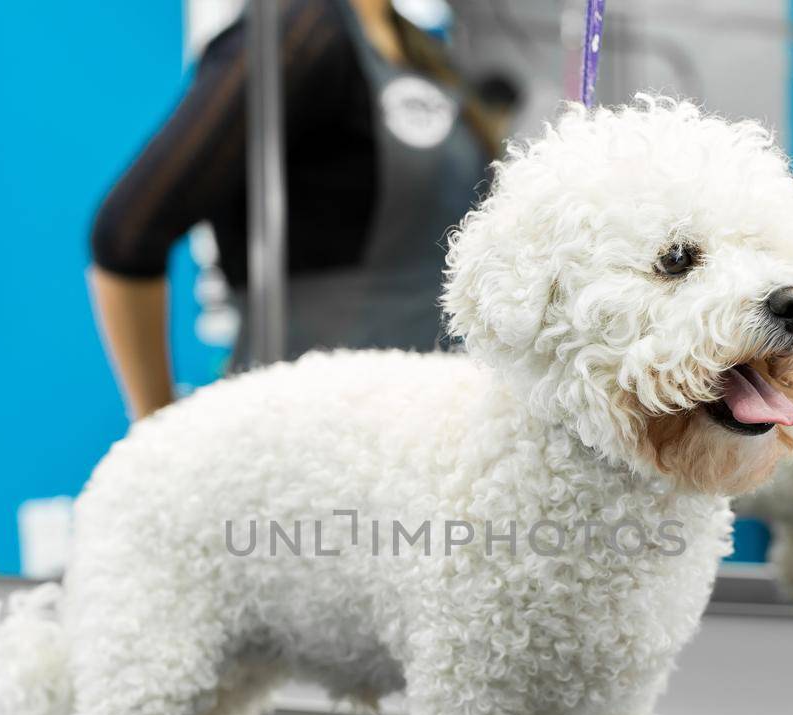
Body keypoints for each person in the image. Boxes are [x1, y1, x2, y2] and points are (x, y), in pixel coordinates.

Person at [89, 0, 503, 420]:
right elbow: (126, 233)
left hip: (429, 414)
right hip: (321, 423)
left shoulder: (418, 49)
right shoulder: (298, 32)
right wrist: (156, 430)